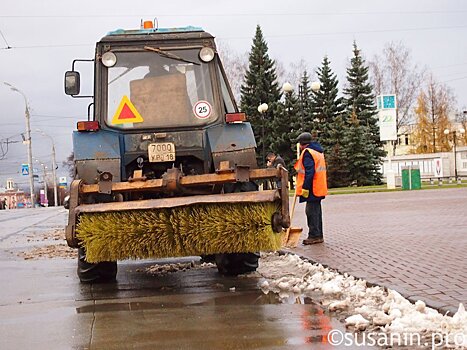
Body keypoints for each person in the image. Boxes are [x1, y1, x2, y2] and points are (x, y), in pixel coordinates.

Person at [294, 132, 328, 245]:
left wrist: (305, 188)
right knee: (316, 212)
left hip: (312, 187)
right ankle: (318, 234)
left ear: (302, 144)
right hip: (318, 186)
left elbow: (309, 172)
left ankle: (314, 235)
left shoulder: (308, 153)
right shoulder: (317, 151)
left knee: (311, 212)